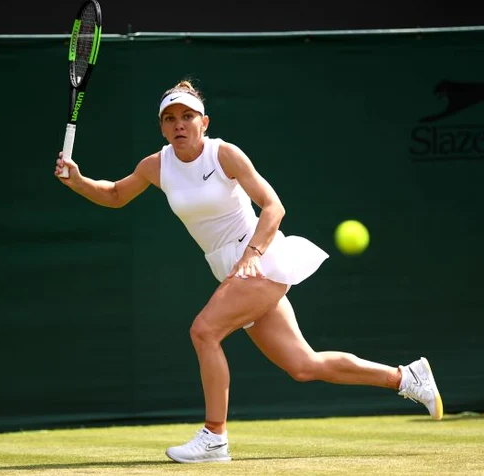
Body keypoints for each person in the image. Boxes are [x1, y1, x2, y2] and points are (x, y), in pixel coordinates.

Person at [54, 79, 444, 464]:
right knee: (303, 365)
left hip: (260, 258)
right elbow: (116, 194)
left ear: (204, 122)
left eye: (187, 116)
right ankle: (406, 378)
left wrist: (253, 253)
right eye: (169, 118)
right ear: (161, 126)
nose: (178, 125)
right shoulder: (157, 165)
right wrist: (78, 180)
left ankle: (214, 437)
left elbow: (273, 206)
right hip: (230, 268)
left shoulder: (224, 155)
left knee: (204, 331)